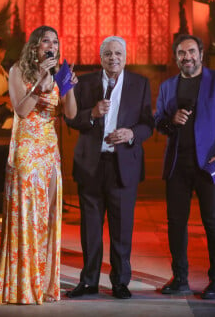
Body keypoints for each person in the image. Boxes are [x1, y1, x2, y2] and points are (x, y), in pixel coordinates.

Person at [0, 26, 77, 305]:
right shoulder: (19, 71)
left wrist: (69, 87)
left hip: (49, 150)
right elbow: (21, 110)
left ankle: (44, 283)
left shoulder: (60, 72)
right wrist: (41, 81)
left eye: (55, 41)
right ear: (35, 47)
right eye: (45, 42)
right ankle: (22, 286)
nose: (51, 46)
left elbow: (70, 114)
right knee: (27, 215)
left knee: (47, 216)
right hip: (26, 151)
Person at [65, 36, 153, 300]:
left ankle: (120, 281)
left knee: (121, 227)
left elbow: (148, 123)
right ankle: (89, 281)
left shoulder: (140, 83)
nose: (113, 58)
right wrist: (91, 114)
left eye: (118, 53)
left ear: (125, 57)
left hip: (122, 165)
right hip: (91, 165)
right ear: (100, 57)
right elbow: (71, 119)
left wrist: (131, 134)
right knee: (90, 228)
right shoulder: (87, 82)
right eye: (108, 54)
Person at [155, 34, 215, 299]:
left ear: (201, 53)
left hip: (210, 163)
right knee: (176, 222)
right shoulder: (168, 86)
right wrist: (172, 119)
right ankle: (180, 278)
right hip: (178, 164)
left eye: (191, 51)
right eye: (181, 53)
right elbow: (158, 121)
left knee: (212, 221)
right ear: (176, 57)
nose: (187, 57)